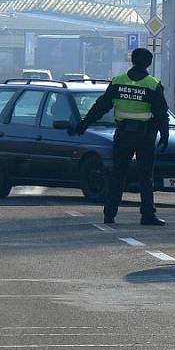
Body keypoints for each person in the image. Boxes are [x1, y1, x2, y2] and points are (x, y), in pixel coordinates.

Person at [71, 48, 169, 226]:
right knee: (145, 176)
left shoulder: (118, 82)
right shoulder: (153, 85)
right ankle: (147, 215)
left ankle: (109, 214)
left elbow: (101, 106)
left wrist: (84, 124)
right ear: (149, 63)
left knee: (118, 174)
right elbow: (161, 113)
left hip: (123, 134)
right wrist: (165, 134)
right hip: (145, 136)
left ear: (132, 61)